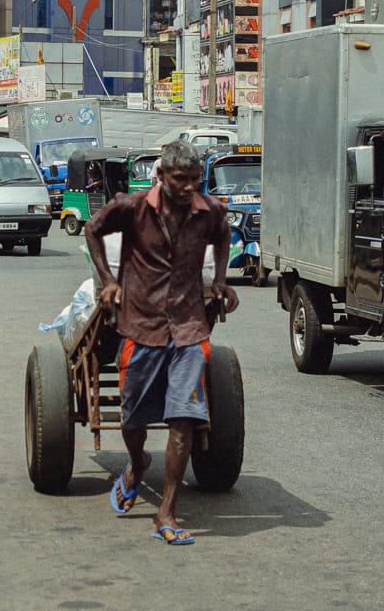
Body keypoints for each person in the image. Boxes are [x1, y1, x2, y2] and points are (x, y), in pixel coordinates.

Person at [85, 139, 239, 546]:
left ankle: (166, 513)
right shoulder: (133, 209)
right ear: (162, 177)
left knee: (182, 419)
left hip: (189, 328)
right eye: (180, 179)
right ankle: (137, 464)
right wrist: (109, 281)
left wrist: (220, 279)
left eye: (195, 179)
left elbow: (223, 236)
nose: (189, 187)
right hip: (141, 324)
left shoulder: (209, 213)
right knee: (133, 419)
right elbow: (92, 228)